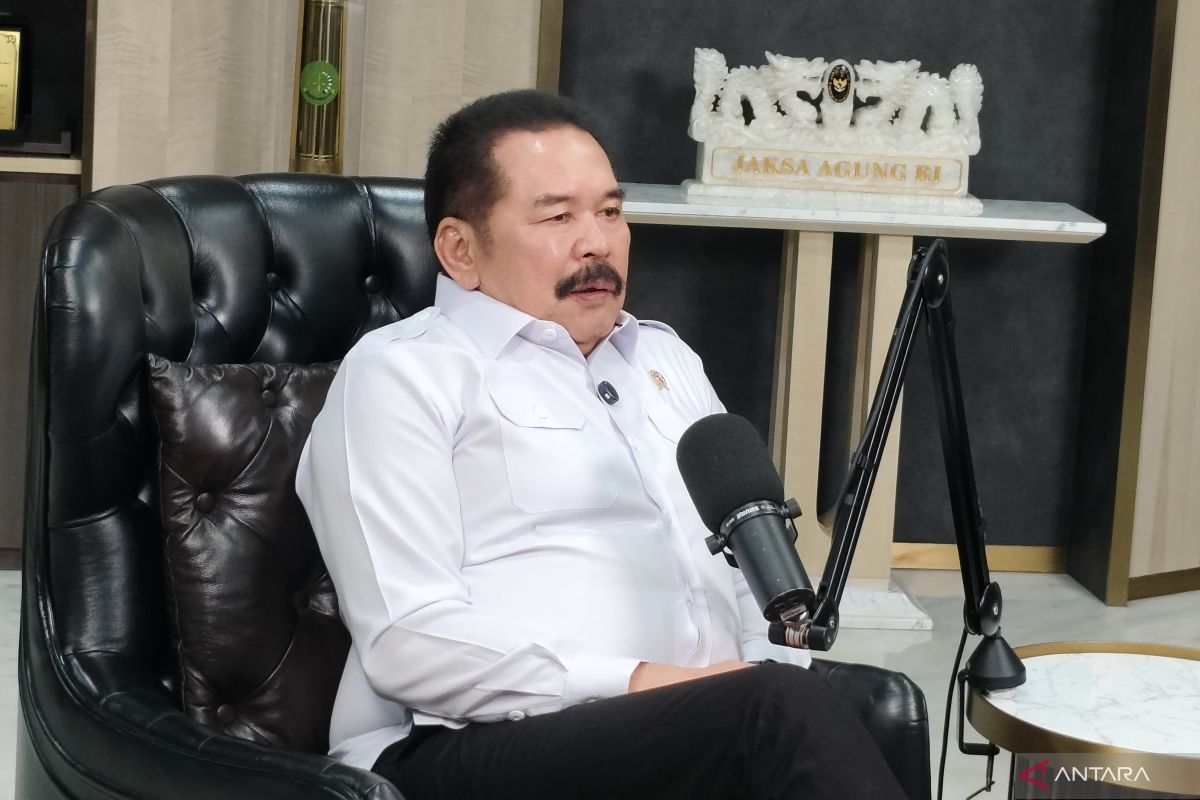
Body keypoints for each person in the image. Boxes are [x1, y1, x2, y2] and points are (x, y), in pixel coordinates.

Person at [296, 89, 905, 800]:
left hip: (694, 726)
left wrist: (759, 668)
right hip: (463, 744)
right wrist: (645, 683)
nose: (597, 243)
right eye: (558, 217)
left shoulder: (666, 360)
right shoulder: (402, 373)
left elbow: (747, 570)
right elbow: (407, 637)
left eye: (611, 212)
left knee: (854, 708)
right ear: (460, 249)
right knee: (776, 712)